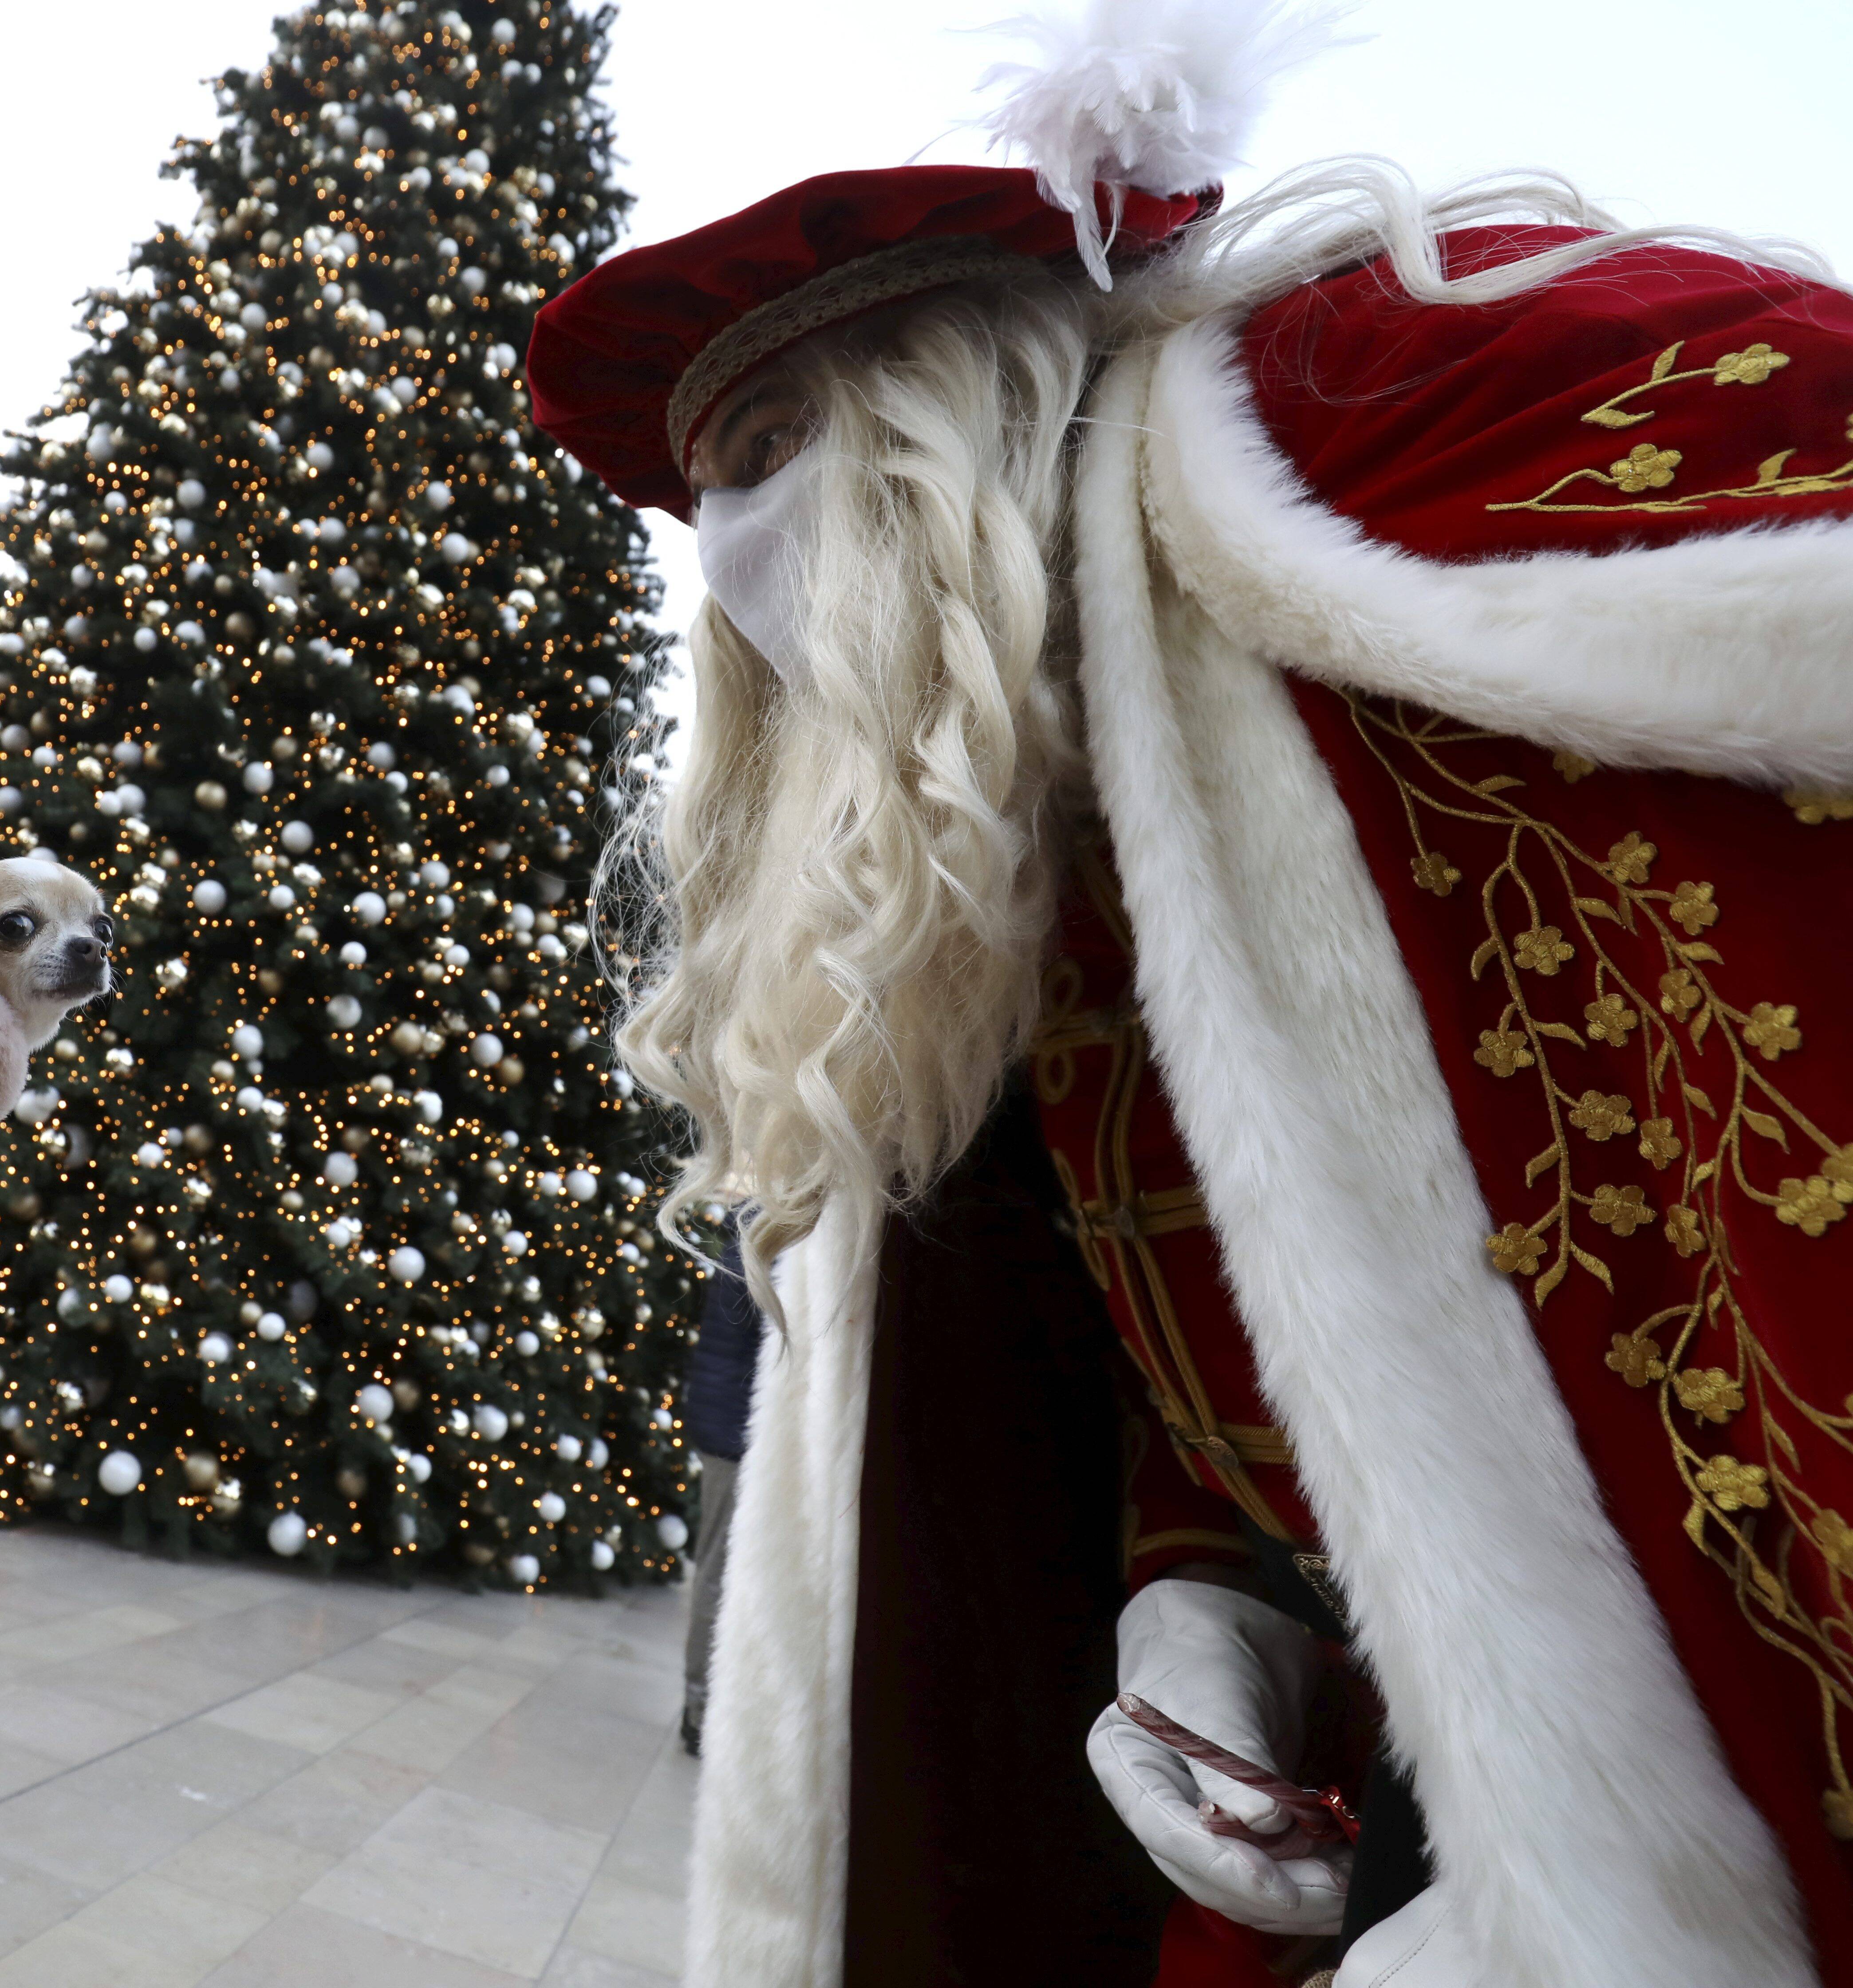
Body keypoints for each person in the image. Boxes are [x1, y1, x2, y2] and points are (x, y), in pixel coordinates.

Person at [524, 15, 1853, 1988]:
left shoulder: (1360, 474)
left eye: (783, 443)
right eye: (706, 486)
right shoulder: (1032, 872)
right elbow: (1234, 1342)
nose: (735, 555)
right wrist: (1204, 1607)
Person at [677, 1234, 759, 1757]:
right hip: (736, 1430)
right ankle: (700, 1706)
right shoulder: (763, 1230)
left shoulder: (750, 1227)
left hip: (729, 1422)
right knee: (719, 1569)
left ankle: (706, 1703)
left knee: (719, 1566)